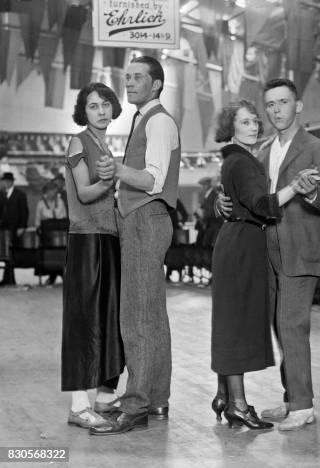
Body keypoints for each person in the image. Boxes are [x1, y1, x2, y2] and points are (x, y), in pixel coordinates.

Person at [217, 78, 320, 430]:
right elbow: (247, 193)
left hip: (301, 249)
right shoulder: (263, 149)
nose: (275, 110)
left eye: (283, 102)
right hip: (265, 249)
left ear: (297, 106)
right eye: (269, 105)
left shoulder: (317, 147)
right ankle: (291, 398)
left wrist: (311, 192)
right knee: (278, 326)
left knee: (291, 325)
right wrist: (219, 202)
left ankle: (302, 404)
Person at [90, 55, 180, 435]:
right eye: (127, 77)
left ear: (157, 84)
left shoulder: (158, 121)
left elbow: (154, 179)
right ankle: (156, 399)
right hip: (145, 219)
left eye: (138, 77)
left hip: (146, 218)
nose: (129, 83)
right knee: (152, 316)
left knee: (137, 318)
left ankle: (136, 406)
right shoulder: (144, 119)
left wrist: (117, 170)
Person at [61, 82, 125, 429]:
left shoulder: (104, 146)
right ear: (83, 113)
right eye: (92, 106)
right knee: (83, 321)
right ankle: (77, 404)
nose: (101, 111)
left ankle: (104, 395)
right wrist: (112, 181)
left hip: (108, 238)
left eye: (105, 105)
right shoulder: (78, 141)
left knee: (108, 318)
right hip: (85, 239)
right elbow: (86, 193)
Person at [34, 181, 67, 285]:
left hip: (59, 234)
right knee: (49, 255)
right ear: (47, 192)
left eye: (55, 191)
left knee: (60, 253)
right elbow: (37, 221)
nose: (54, 193)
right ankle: (51, 275)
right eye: (52, 191)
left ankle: (62, 273)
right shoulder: (41, 203)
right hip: (47, 235)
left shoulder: (60, 201)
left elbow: (64, 217)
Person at [0, 172, 29, 285]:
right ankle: (7, 278)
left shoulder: (20, 195)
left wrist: (22, 226)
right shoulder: (1, 194)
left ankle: (9, 278)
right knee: (5, 253)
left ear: (12, 182)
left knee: (11, 252)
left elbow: (24, 212)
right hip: (3, 229)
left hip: (15, 228)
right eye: (4, 181)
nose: (6, 183)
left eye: (8, 181)